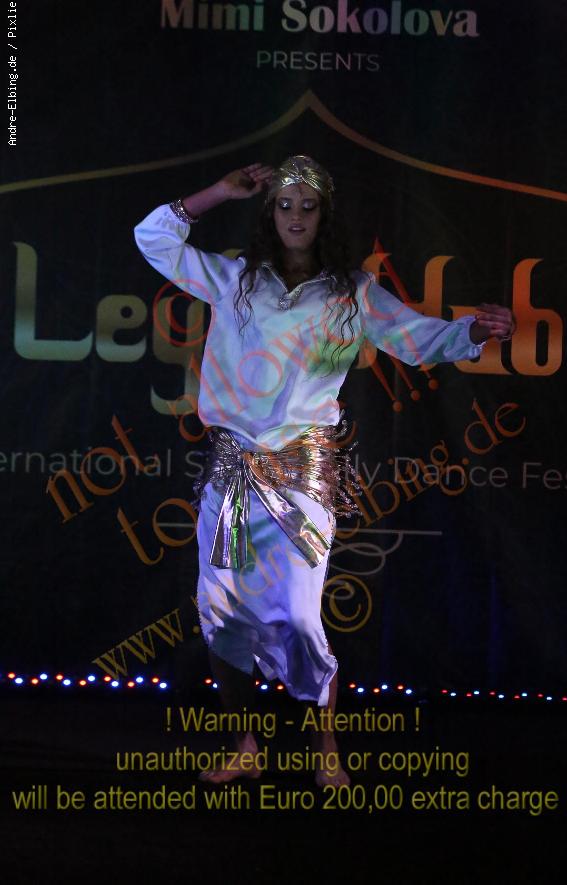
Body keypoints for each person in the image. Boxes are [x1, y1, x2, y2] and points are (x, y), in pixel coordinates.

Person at [134, 156, 515, 788]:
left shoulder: (351, 294)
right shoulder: (234, 280)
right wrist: (218, 192)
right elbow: (153, 238)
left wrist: (476, 329)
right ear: (268, 213)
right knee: (221, 614)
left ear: (324, 216)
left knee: (299, 618)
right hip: (230, 471)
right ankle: (245, 746)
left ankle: (324, 744)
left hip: (300, 475)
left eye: (307, 207)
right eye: (284, 205)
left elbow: (419, 338)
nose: (296, 217)